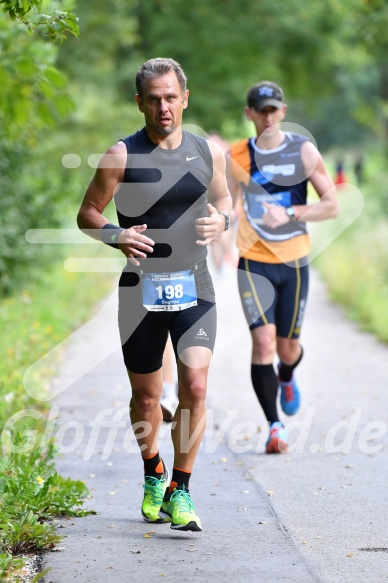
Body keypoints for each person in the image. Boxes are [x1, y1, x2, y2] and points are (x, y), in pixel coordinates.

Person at [77, 58, 232, 531]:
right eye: (154, 98)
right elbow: (87, 213)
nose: (163, 107)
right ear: (140, 102)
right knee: (146, 399)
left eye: (171, 97)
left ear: (185, 98)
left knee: (196, 387)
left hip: (195, 284)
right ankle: (153, 472)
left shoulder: (208, 153)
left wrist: (222, 219)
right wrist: (114, 236)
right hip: (140, 289)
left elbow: (225, 200)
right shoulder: (121, 155)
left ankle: (180, 490)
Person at [227, 80, 338, 454]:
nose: (269, 116)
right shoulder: (236, 155)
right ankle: (275, 426)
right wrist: (219, 227)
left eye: (274, 109)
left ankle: (287, 375)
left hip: (292, 263)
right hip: (253, 262)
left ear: (283, 112)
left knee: (286, 349)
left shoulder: (303, 151)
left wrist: (290, 211)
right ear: (250, 115)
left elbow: (332, 205)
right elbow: (227, 202)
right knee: (262, 343)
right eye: (262, 110)